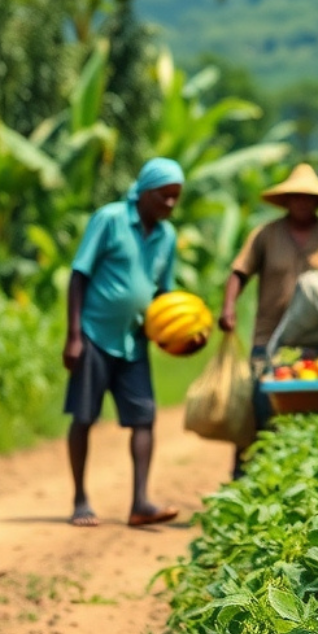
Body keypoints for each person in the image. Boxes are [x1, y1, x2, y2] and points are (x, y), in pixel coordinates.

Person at [64, 157, 202, 527]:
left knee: (144, 418)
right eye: (164, 196)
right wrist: (73, 336)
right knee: (84, 416)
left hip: (134, 342)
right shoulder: (110, 219)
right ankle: (80, 498)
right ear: (143, 191)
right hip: (94, 335)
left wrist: (183, 336)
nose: (171, 204)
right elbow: (78, 276)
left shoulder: (167, 237)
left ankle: (140, 502)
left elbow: (165, 297)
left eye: (177, 197)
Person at [219, 163, 318, 431]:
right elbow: (239, 272)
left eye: (308, 198)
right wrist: (228, 307)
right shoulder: (266, 234)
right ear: (286, 200)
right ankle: (250, 464)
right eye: (296, 197)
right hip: (270, 337)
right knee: (263, 404)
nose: (302, 203)